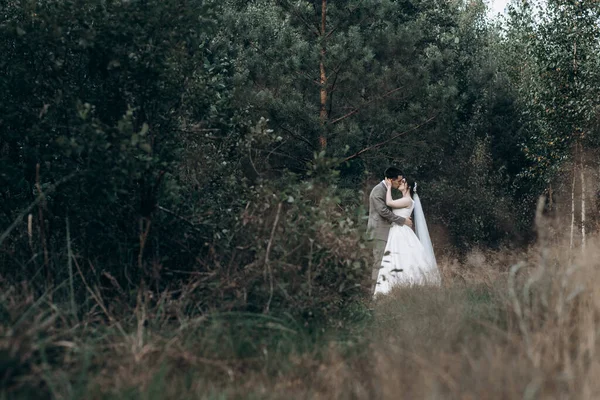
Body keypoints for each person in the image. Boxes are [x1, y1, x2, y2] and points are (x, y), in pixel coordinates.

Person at [374, 176, 441, 295]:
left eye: (403, 182)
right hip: (398, 230)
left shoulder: (407, 200)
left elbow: (389, 202)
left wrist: (389, 187)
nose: (400, 183)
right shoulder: (404, 200)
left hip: (401, 231)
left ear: (408, 187)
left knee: (401, 257)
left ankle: (402, 287)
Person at [367, 167, 412, 295]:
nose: (399, 183)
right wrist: (402, 220)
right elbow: (383, 211)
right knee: (378, 263)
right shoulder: (378, 190)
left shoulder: (385, 190)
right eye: (398, 181)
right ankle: (374, 294)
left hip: (387, 232)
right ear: (391, 180)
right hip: (378, 232)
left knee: (385, 263)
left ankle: (385, 292)